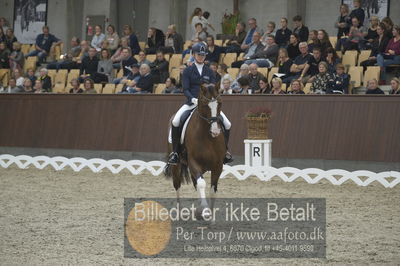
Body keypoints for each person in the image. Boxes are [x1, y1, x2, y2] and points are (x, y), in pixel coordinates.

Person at [167, 42, 233, 165]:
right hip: (191, 102)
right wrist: (193, 99)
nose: (201, 57)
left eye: (203, 55)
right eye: (199, 54)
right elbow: (185, 89)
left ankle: (225, 151)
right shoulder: (187, 71)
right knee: (176, 121)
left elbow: (213, 89)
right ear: (193, 55)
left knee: (228, 124)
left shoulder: (209, 72)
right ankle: (175, 153)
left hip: (208, 104)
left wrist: (212, 100)